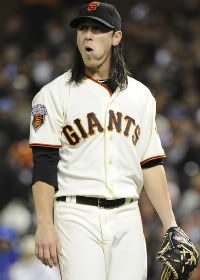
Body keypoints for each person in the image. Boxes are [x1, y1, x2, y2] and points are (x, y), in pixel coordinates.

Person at [29, 2, 178, 279]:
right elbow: (44, 164)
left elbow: (151, 163)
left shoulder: (140, 96)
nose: (88, 35)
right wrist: (44, 223)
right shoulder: (53, 94)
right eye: (83, 28)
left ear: (116, 37)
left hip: (127, 216)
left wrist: (170, 224)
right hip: (75, 215)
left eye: (98, 29)